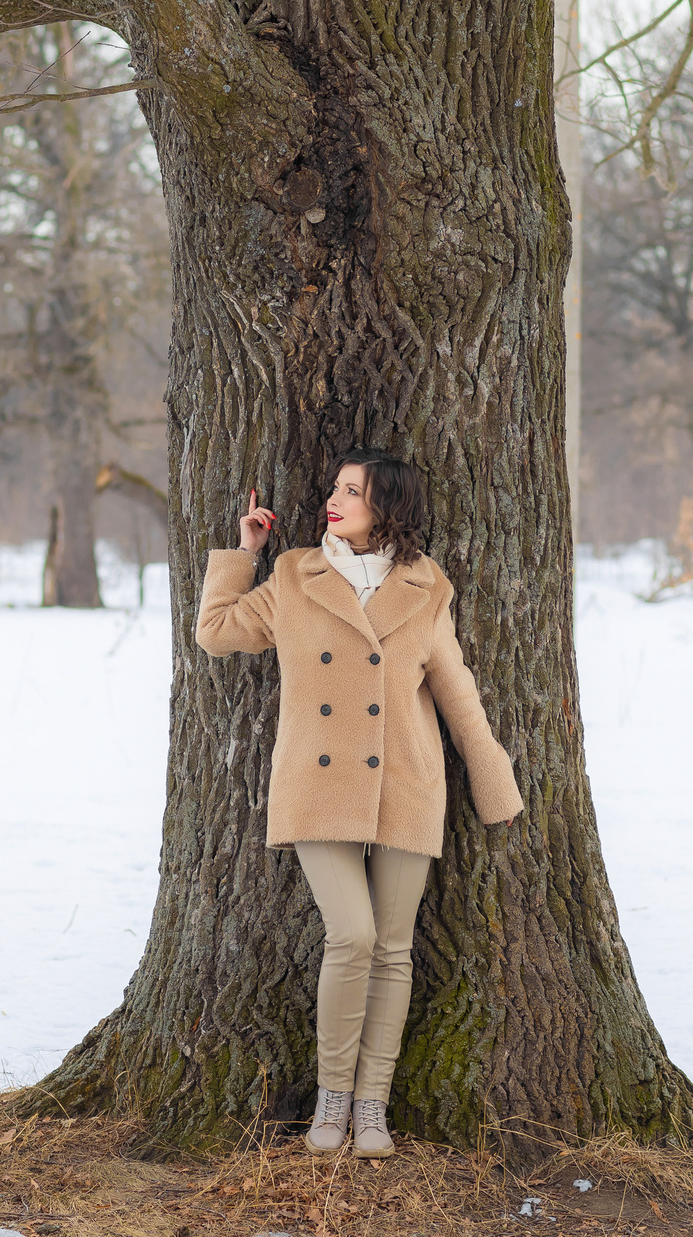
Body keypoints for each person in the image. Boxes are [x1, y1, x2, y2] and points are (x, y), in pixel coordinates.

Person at [193, 449, 524, 1158]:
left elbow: (457, 691)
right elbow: (216, 632)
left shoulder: (426, 586)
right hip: (316, 787)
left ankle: (372, 1107)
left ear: (388, 509)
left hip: (406, 779)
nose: (334, 500)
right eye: (335, 486)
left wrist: (493, 780)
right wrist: (244, 553)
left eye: (353, 491)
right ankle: (332, 1098)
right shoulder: (294, 575)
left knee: (395, 948)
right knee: (354, 936)